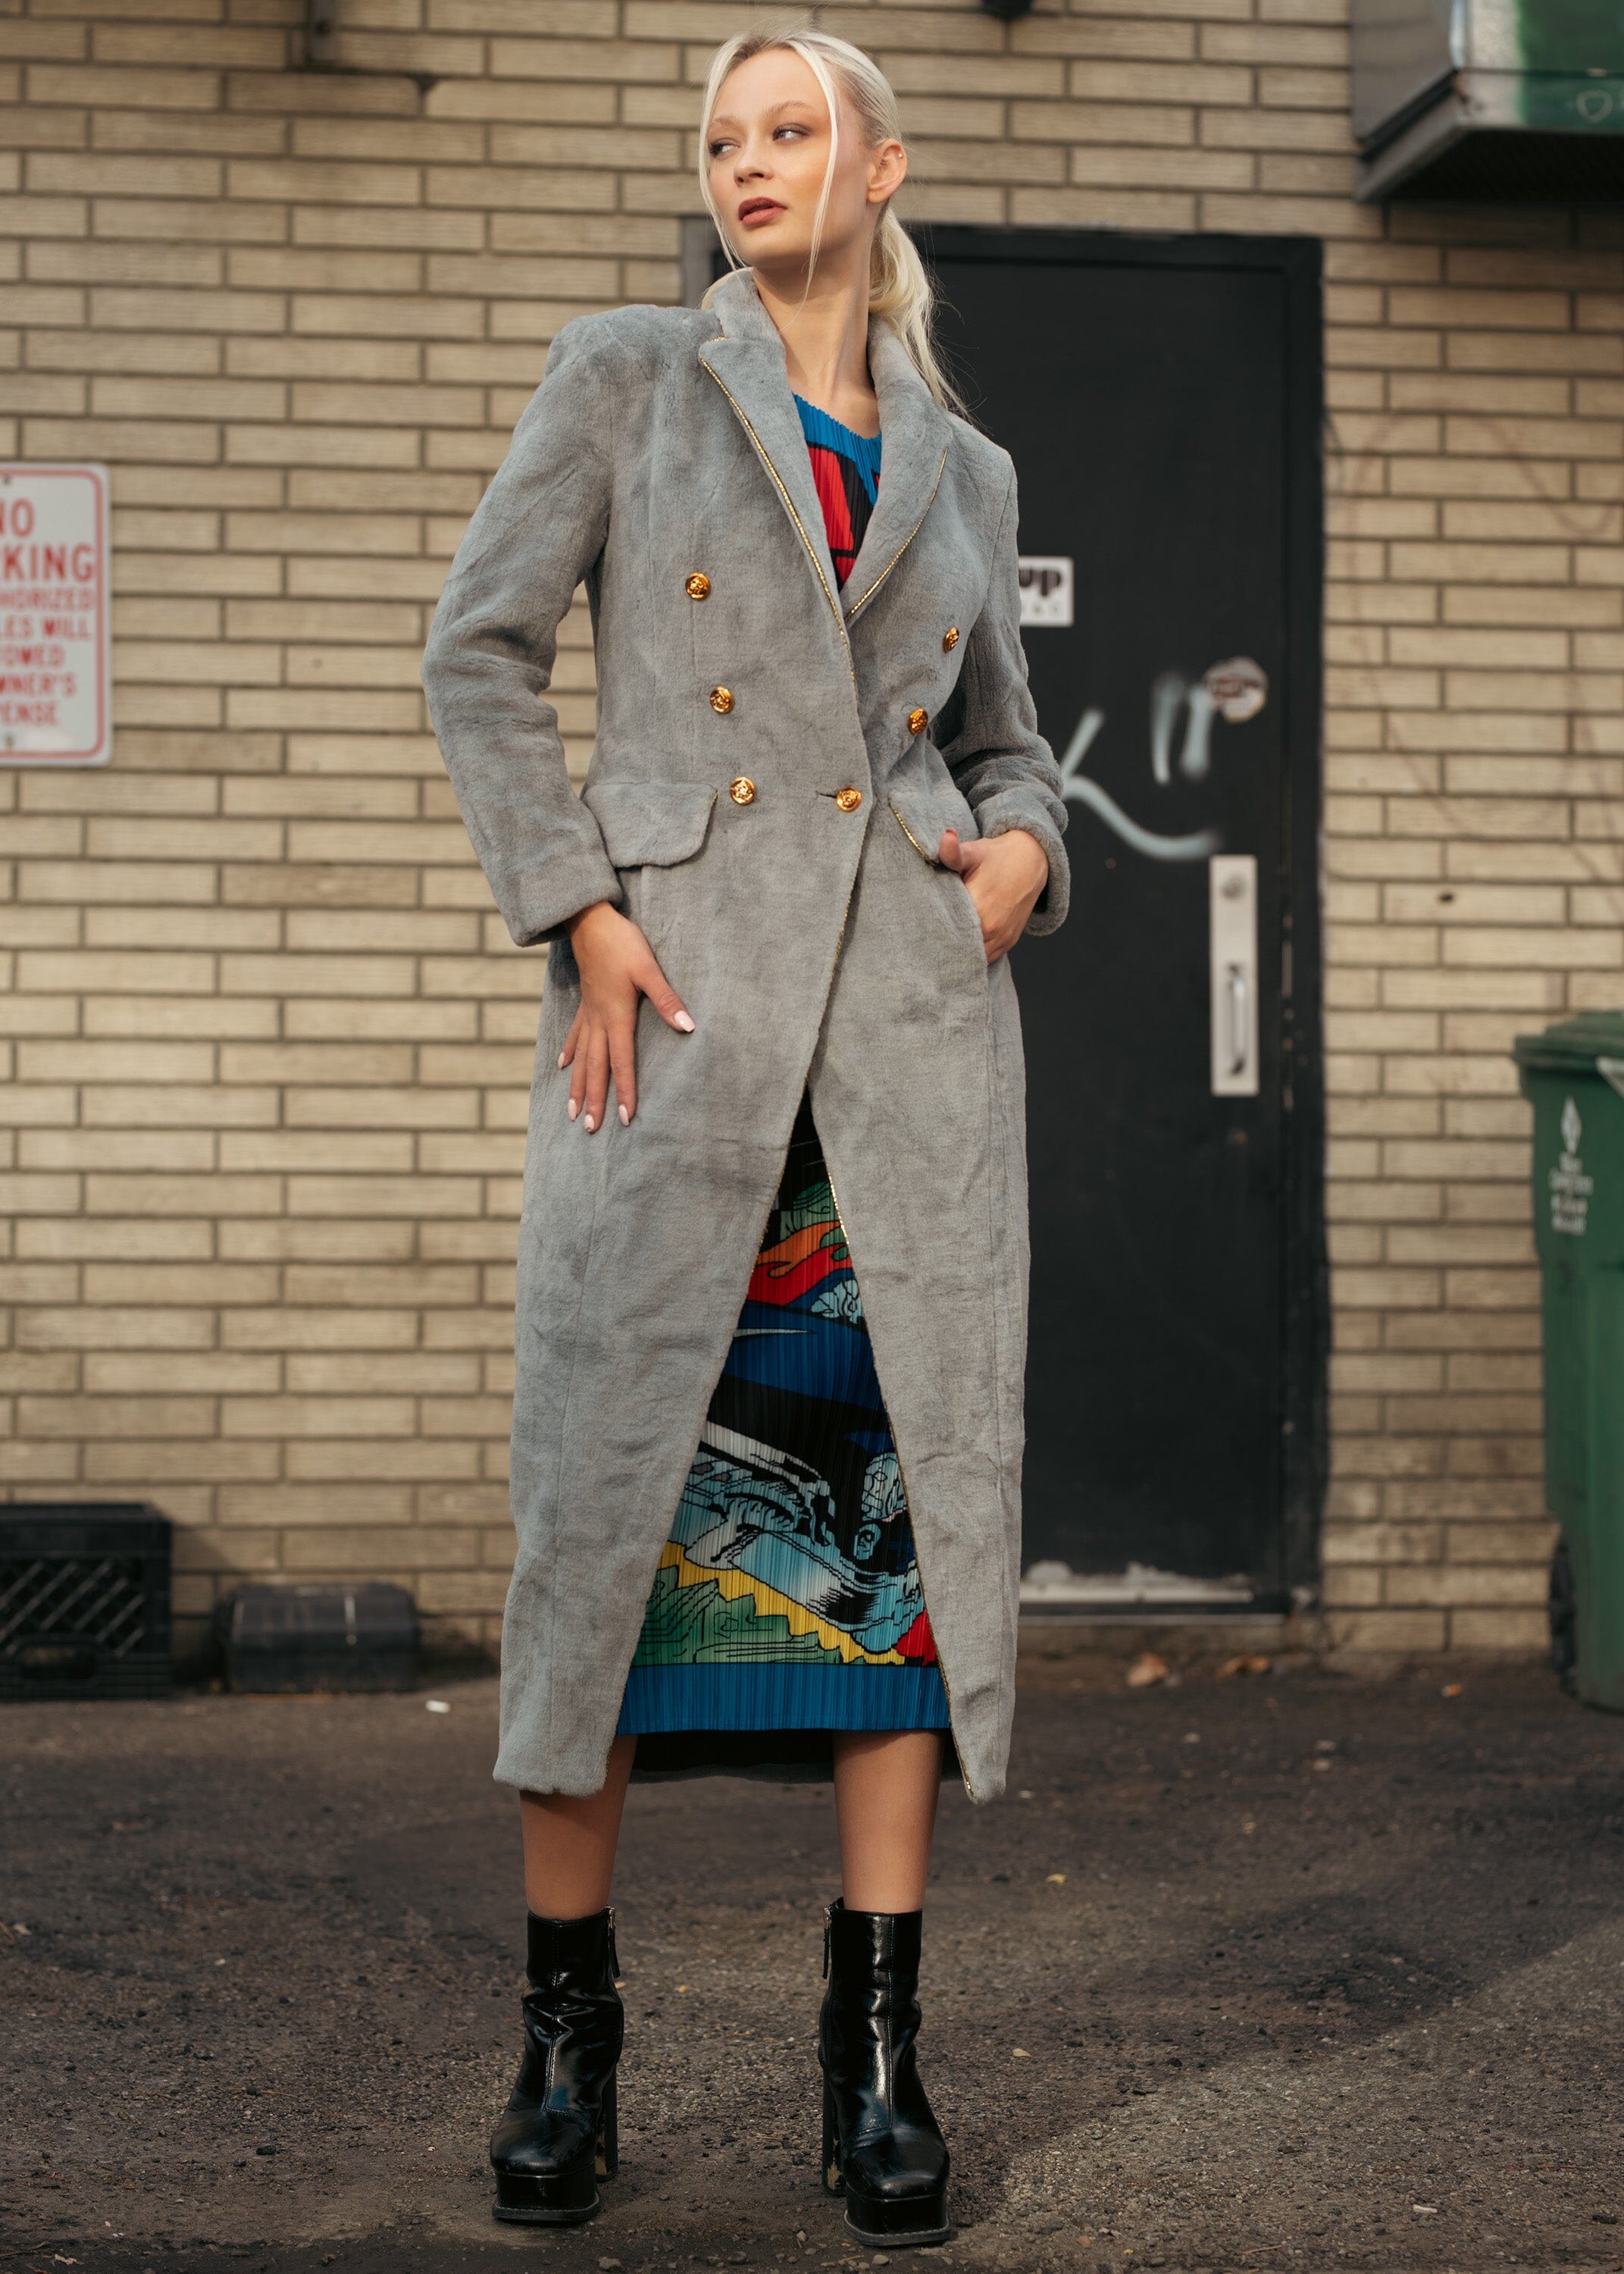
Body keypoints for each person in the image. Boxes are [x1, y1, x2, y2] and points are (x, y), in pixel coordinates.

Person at [421, 27, 1069, 2251]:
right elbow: (479, 653)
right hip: (680, 1043)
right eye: (722, 137)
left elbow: (1007, 745)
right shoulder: (629, 375)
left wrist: (1022, 857)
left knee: (889, 1565)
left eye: (791, 132)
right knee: (602, 1543)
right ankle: (563, 2046)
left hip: (900, 1066)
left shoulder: (965, 469)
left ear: (881, 165)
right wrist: (579, 906)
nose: (748, 165)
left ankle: (876, 2061)